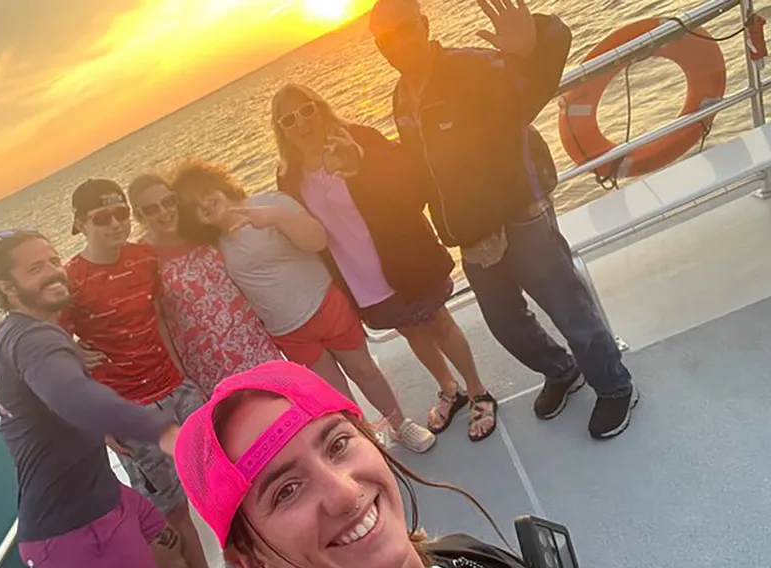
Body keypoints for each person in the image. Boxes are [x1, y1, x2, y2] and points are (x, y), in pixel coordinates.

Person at [369, 0, 638, 439]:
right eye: (385, 39)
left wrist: (535, 41)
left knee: (567, 305)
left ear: (424, 24)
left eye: (404, 29)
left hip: (519, 212)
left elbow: (529, 88)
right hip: (472, 232)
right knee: (505, 323)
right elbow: (423, 171)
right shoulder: (402, 97)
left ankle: (614, 385)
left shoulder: (468, 67)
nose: (396, 43)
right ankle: (562, 371)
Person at [271, 82, 497, 441]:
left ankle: (478, 390)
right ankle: (449, 388)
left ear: (321, 106)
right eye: (287, 120)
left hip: (404, 256)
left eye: (306, 110)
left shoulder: (357, 138)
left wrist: (361, 162)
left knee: (438, 322)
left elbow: (412, 184)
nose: (300, 123)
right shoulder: (289, 177)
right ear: (280, 131)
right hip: (361, 277)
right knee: (411, 331)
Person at [170, 159, 436, 453]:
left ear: (217, 183)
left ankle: (400, 424)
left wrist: (275, 218)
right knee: (333, 391)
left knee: (364, 370)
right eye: (193, 206)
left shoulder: (271, 202)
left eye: (203, 193)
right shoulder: (215, 246)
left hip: (325, 305)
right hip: (287, 331)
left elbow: (317, 239)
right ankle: (366, 442)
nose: (203, 204)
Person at [173, 361, 527, 568]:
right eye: (287, 490)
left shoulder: (463, 555)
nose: (344, 493)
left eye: (337, 445)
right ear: (252, 561)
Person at [0, 228, 181, 568]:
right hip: (78, 529)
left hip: (105, 494)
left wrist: (100, 430)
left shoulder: (9, 335)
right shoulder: (33, 341)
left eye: (53, 261)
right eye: (34, 269)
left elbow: (56, 403)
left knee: (176, 555)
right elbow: (72, 396)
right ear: (8, 287)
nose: (52, 272)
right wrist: (166, 433)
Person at [58, 179, 211, 568]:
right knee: (172, 515)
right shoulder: (70, 281)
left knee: (219, 479)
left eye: (121, 213)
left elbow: (157, 315)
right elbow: (53, 348)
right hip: (130, 414)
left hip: (178, 389)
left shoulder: (144, 257)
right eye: (102, 217)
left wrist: (183, 373)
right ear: (80, 223)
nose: (115, 223)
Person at [127, 172, 284, 396]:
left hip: (255, 345)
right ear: (139, 216)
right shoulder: (143, 259)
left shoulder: (199, 229)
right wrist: (182, 379)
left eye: (168, 201)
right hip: (210, 367)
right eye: (151, 209)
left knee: (288, 412)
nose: (164, 212)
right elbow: (156, 322)